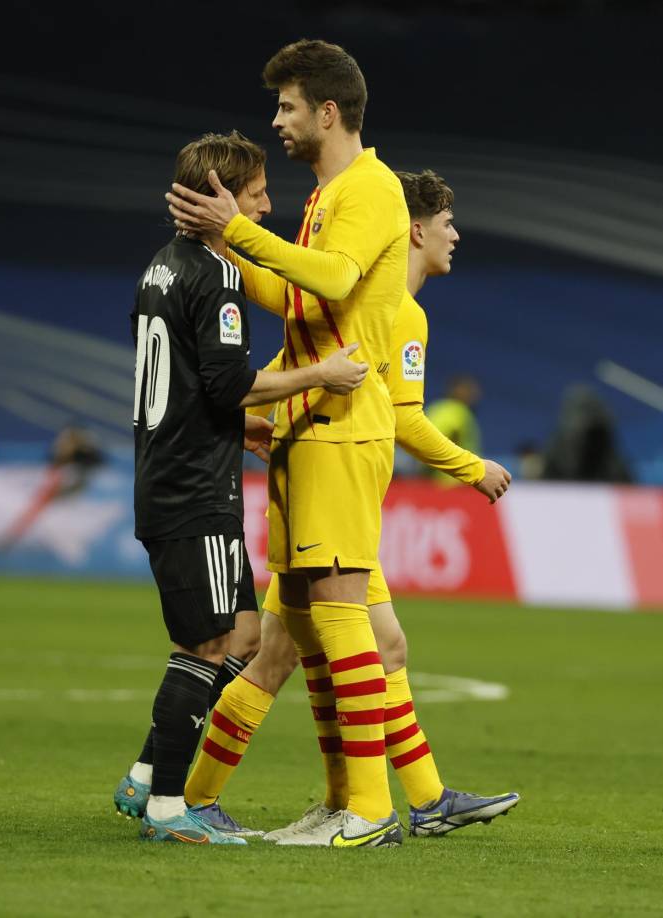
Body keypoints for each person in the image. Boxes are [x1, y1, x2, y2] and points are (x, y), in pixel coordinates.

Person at [179, 170, 518, 843]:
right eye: (446, 222)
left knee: (367, 645)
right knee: (293, 654)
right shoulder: (400, 310)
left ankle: (414, 798)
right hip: (331, 481)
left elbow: (286, 359)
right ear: (414, 230)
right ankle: (200, 797)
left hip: (324, 482)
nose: (454, 235)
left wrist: (255, 412)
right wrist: (470, 466)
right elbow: (402, 418)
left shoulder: (368, 304)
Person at [167, 40, 410, 847]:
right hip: (306, 428)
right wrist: (228, 238)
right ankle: (341, 800)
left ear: (327, 111)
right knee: (298, 627)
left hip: (343, 429)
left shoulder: (371, 188)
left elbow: (334, 280)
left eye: (287, 107)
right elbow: (297, 296)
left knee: (338, 609)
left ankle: (371, 809)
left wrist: (238, 227)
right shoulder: (325, 193)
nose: (277, 121)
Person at [116, 130, 367, 845]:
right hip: (193, 485)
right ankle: (168, 806)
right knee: (204, 645)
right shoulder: (218, 275)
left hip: (179, 466)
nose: (265, 200)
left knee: (243, 635)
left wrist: (241, 429)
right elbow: (229, 381)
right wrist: (319, 377)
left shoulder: (160, 267)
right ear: (223, 193)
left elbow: (199, 386)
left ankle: (145, 775)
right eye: (255, 189)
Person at [426, 375, 482, 486]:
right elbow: (430, 441)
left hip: (444, 479)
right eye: (468, 390)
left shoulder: (436, 407)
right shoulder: (456, 411)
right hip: (450, 482)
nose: (474, 395)